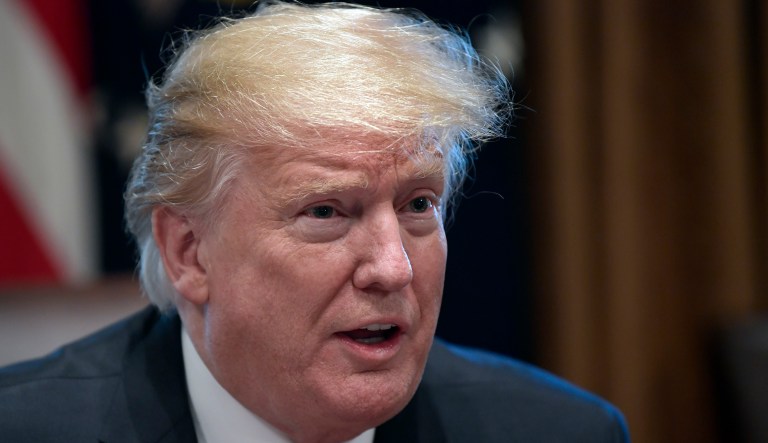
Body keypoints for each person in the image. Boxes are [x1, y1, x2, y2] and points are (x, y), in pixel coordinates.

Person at [0, 2, 629, 442]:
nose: (393, 267)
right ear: (190, 252)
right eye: (326, 211)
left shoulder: (559, 431)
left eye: (418, 206)